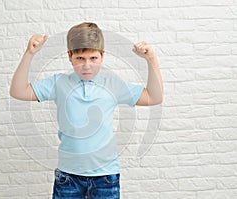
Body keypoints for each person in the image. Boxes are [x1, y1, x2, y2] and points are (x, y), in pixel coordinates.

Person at [10, 22, 163, 199]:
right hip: (68, 177)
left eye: (93, 58)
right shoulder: (59, 83)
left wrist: (151, 60)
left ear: (102, 56)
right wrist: (30, 54)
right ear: (70, 56)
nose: (87, 65)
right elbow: (18, 91)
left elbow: (154, 97)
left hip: (105, 178)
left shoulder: (112, 85)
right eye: (80, 59)